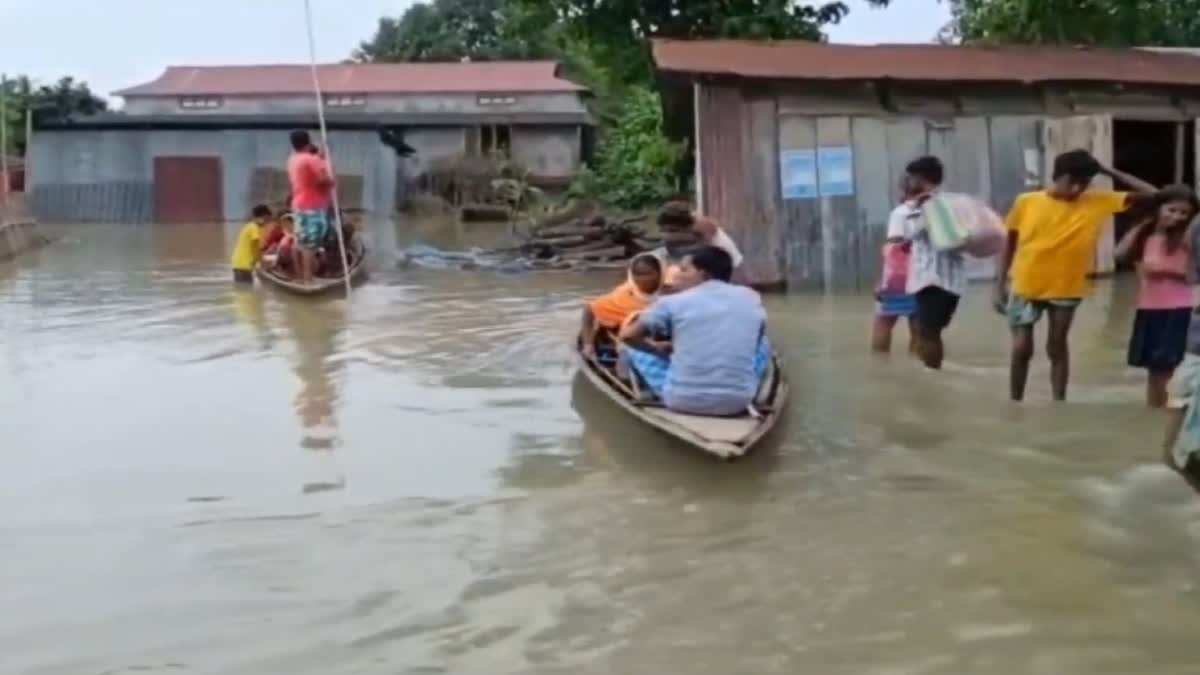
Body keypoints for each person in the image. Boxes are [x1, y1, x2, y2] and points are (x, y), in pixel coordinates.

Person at [996, 149, 1157, 402]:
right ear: (1058, 177)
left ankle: (1059, 401)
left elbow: (1156, 196)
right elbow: (1009, 244)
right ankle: (1015, 401)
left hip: (1067, 286)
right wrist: (998, 285)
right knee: (1020, 347)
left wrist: (1107, 171)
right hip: (1026, 283)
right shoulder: (1027, 201)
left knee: (1057, 345)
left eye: (1083, 184)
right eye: (1072, 182)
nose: (1076, 189)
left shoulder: (1098, 200)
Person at [618, 246, 769, 416]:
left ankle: (644, 388)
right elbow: (754, 344)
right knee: (763, 342)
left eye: (684, 270)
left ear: (703, 274)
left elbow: (628, 336)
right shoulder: (751, 298)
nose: (677, 275)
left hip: (682, 400)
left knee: (631, 347)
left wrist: (656, 348)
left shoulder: (671, 302)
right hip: (738, 402)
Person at [1115, 185, 1199, 407]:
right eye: (1171, 210)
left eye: (1183, 213)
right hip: (1149, 308)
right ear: (1159, 208)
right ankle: (1155, 413)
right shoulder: (1146, 232)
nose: (1177, 217)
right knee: (1155, 369)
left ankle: (1175, 411)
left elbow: (1194, 274)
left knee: (1173, 367)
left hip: (1180, 308)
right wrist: (1141, 226)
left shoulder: (1189, 236)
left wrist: (1165, 270)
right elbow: (1119, 254)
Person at [889, 156, 963, 370]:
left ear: (920, 179)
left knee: (927, 333)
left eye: (911, 178)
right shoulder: (952, 202)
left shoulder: (917, 207)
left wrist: (910, 208)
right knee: (931, 332)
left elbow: (906, 238)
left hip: (931, 280)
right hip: (953, 280)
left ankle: (933, 378)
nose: (908, 181)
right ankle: (932, 371)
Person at [579, 253, 664, 360]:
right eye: (637, 274)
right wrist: (588, 345)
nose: (643, 279)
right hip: (634, 343)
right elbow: (589, 308)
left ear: (660, 273)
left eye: (648, 274)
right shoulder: (623, 294)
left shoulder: (672, 293)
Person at [871, 180, 920, 354]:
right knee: (918, 326)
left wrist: (881, 282)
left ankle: (880, 366)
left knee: (884, 322)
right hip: (925, 275)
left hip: (900, 277)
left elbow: (895, 250)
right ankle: (917, 368)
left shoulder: (900, 213)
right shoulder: (931, 212)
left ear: (904, 191)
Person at [287, 130, 334, 283]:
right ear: (308, 142)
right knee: (310, 245)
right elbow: (323, 179)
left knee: (300, 241)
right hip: (313, 205)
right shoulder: (311, 160)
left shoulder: (293, 159)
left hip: (299, 204)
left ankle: (300, 275)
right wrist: (328, 175)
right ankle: (308, 279)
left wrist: (320, 158)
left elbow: (308, 173)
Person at [229, 204, 273, 283]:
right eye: (267, 219)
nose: (268, 222)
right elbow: (256, 248)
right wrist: (263, 262)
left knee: (243, 289)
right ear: (263, 217)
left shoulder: (251, 226)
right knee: (245, 292)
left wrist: (261, 261)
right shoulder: (254, 228)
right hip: (244, 265)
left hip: (240, 264)